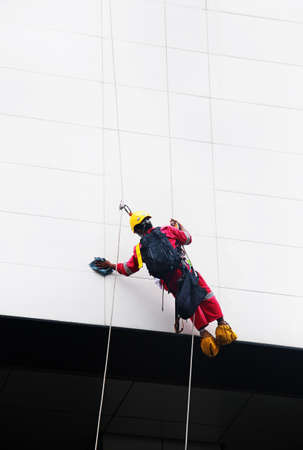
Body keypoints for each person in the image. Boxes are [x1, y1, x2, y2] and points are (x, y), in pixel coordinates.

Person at [95, 211, 237, 357]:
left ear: (137, 231)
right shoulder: (167, 230)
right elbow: (188, 239)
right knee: (206, 295)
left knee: (189, 305)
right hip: (188, 273)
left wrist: (111, 265)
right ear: (149, 221)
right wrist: (180, 226)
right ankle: (222, 325)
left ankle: (205, 336)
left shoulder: (139, 249)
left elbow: (128, 269)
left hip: (173, 284)